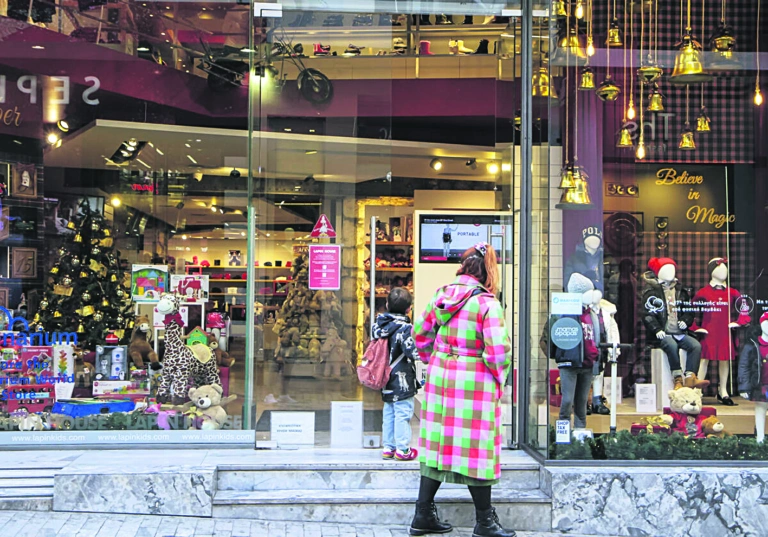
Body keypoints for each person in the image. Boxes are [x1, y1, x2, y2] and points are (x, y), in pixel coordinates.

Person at [410, 242, 515, 537]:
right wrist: (499, 381)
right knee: (477, 447)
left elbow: (420, 333)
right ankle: (485, 522)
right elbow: (498, 353)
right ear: (488, 271)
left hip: (440, 377)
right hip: (474, 381)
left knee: (437, 444)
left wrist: (434, 359)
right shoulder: (487, 304)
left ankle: (422, 515)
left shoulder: (441, 295)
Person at [372, 287, 420, 461]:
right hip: (402, 379)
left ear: (387, 305)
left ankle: (388, 447)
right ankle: (402, 449)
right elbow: (412, 352)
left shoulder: (378, 326)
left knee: (389, 412)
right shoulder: (405, 328)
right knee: (403, 412)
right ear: (409, 309)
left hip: (384, 377)